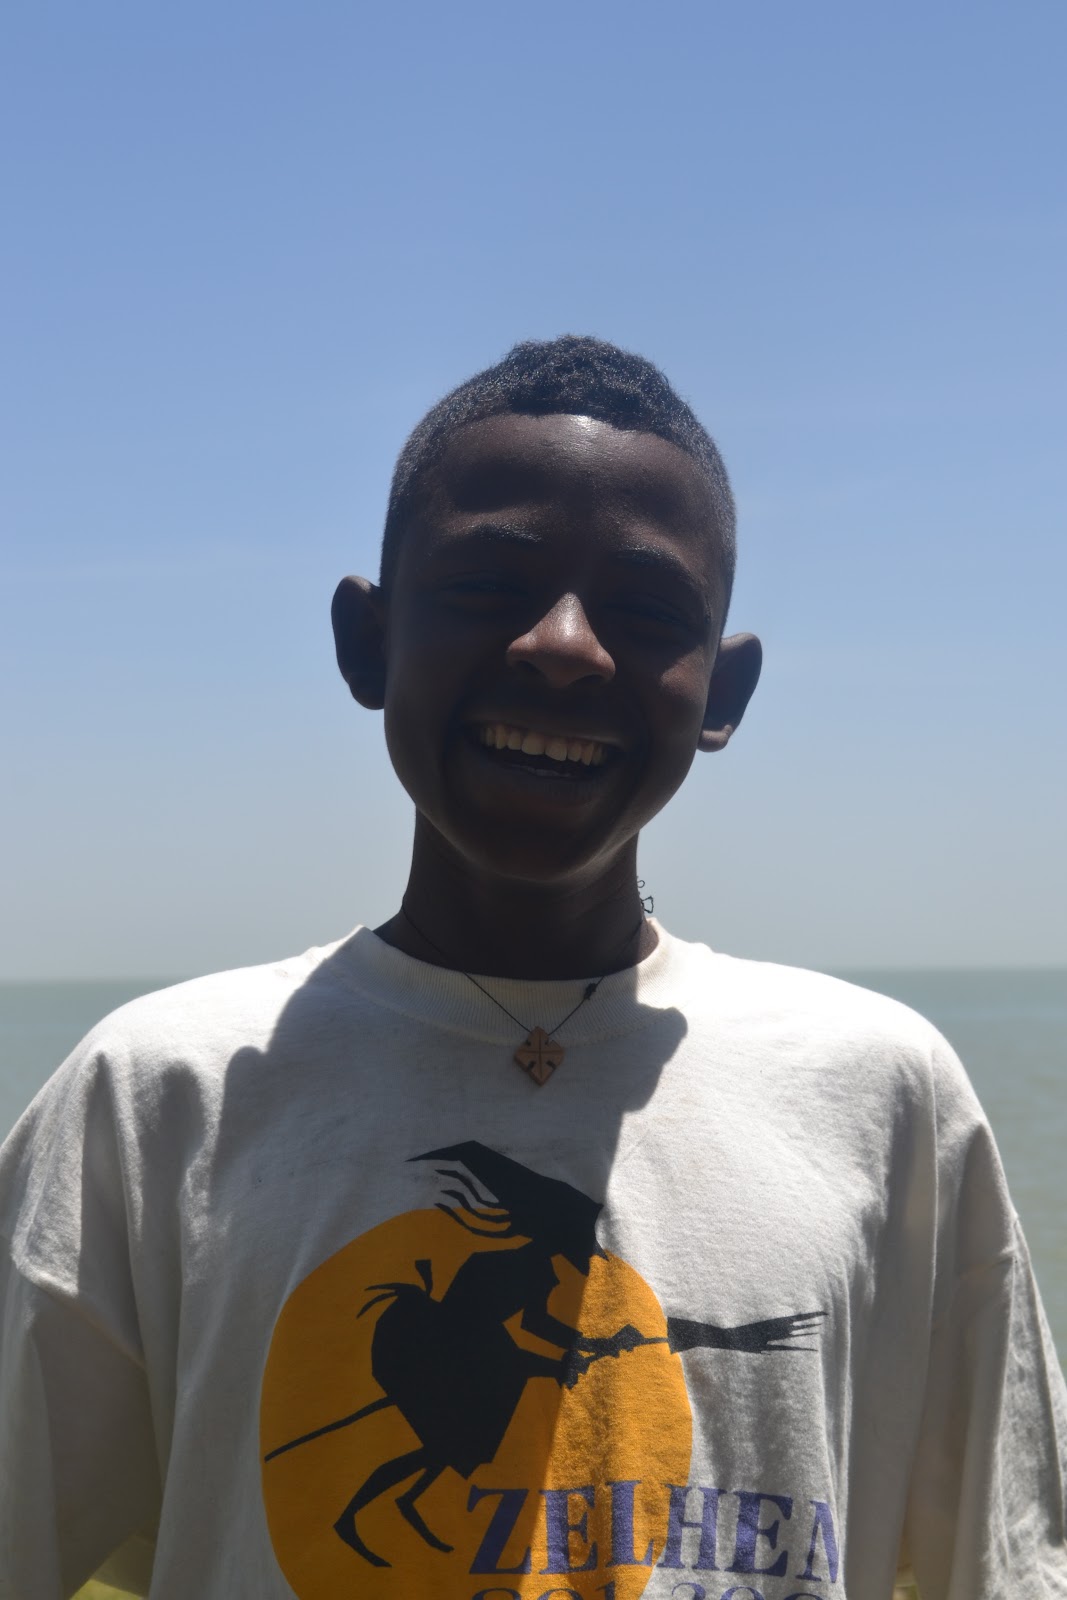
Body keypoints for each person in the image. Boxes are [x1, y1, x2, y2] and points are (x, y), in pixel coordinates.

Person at [1, 337, 1064, 1600]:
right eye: (487, 586)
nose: (563, 644)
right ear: (365, 642)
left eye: (645, 612)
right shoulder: (150, 1097)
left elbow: (1007, 1565)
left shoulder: (885, 1095)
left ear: (720, 692)